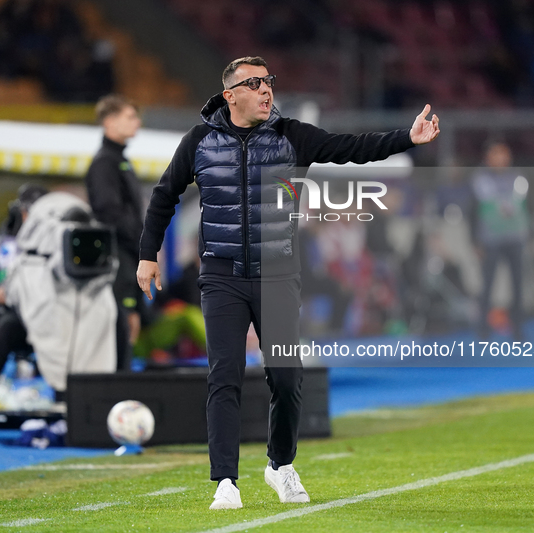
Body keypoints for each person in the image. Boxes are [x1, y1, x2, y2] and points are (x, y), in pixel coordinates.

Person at [137, 56, 440, 510]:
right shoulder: (199, 141)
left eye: (269, 82)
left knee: (286, 376)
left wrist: (406, 139)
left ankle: (280, 467)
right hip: (221, 275)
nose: (266, 91)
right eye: (255, 83)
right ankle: (225, 481)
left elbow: (350, 147)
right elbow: (165, 196)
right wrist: (147, 255)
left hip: (278, 274)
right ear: (230, 95)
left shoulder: (291, 136)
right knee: (224, 376)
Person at [0, 183, 48, 407]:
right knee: (7, 325)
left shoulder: (58, 245)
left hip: (49, 319)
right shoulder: (1, 247)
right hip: (11, 322)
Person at [85, 94, 143, 370]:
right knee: (121, 330)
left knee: (128, 333)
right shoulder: (105, 163)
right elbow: (110, 213)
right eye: (130, 117)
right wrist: (140, 239)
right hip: (117, 259)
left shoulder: (120, 160)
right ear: (109, 122)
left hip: (129, 257)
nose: (137, 123)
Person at [470, 141, 529, 340]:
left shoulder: (518, 179)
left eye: (503, 154)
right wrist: (474, 241)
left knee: (518, 285)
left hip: (515, 239)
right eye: (495, 155)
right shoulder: (479, 181)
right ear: (488, 158)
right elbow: (473, 212)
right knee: (487, 285)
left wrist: (532, 236)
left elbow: (527, 208)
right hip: (490, 240)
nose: (500, 159)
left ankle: (518, 328)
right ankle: (483, 329)